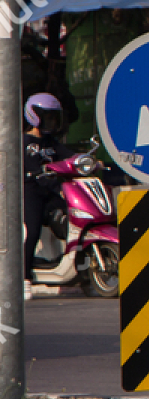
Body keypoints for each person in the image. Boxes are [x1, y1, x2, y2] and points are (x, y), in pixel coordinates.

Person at [22, 92, 67, 298]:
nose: (51, 121)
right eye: (47, 117)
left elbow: (70, 155)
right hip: (30, 192)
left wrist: (88, 160)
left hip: (50, 192)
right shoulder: (23, 142)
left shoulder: (52, 143)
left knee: (71, 218)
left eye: (53, 117)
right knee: (31, 232)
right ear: (34, 116)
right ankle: (24, 278)